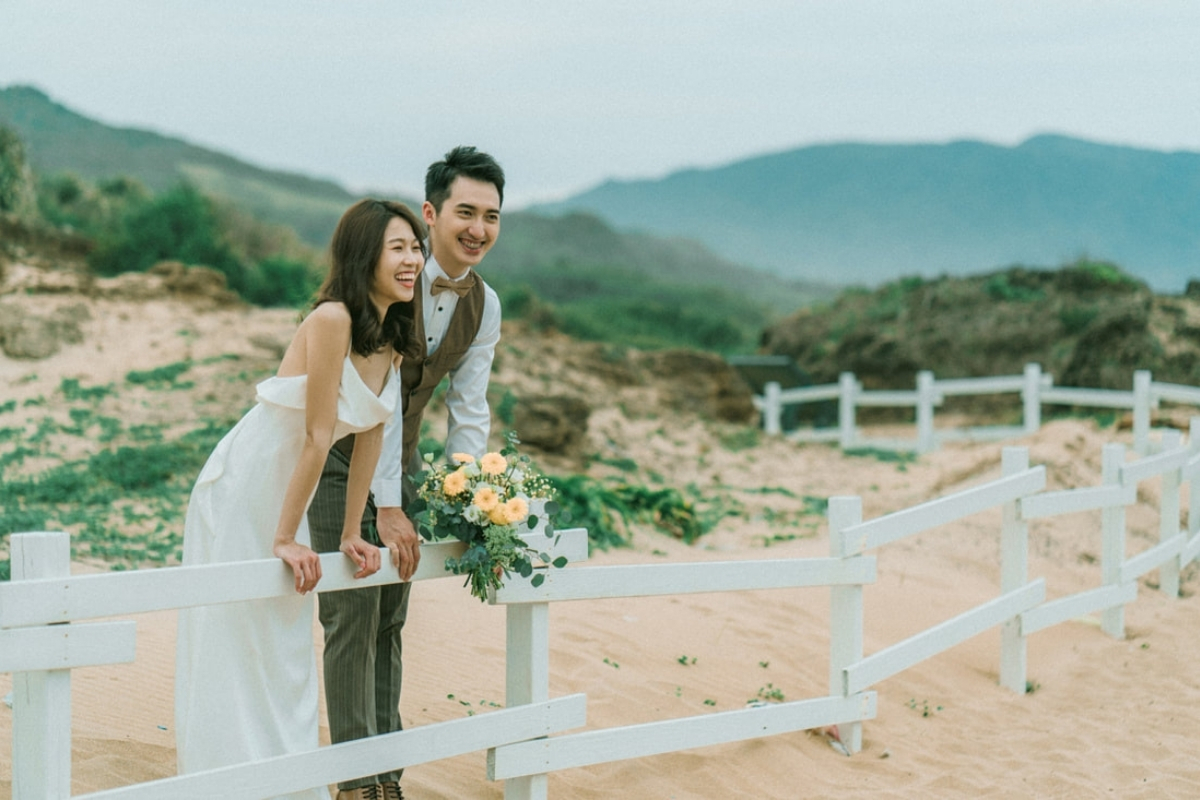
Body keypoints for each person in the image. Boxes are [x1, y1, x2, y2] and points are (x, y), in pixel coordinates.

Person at [174, 199, 426, 800]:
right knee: (241, 631)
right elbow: (317, 436)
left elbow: (369, 435)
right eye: (399, 247)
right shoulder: (333, 319)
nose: (414, 259)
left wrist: (347, 533)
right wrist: (287, 537)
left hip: (294, 484)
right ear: (365, 254)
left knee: (283, 641)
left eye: (417, 247)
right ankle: (226, 782)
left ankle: (280, 782)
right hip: (254, 480)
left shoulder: (389, 335)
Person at [308, 145, 505, 800]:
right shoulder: (393, 278)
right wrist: (385, 506)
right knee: (353, 615)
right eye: (466, 212)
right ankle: (354, 783)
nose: (478, 229)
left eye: (493, 216)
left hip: (405, 460)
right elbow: (379, 400)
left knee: (391, 617)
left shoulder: (486, 306)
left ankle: (387, 775)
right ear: (431, 213)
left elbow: (469, 411)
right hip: (340, 456)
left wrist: (469, 495)